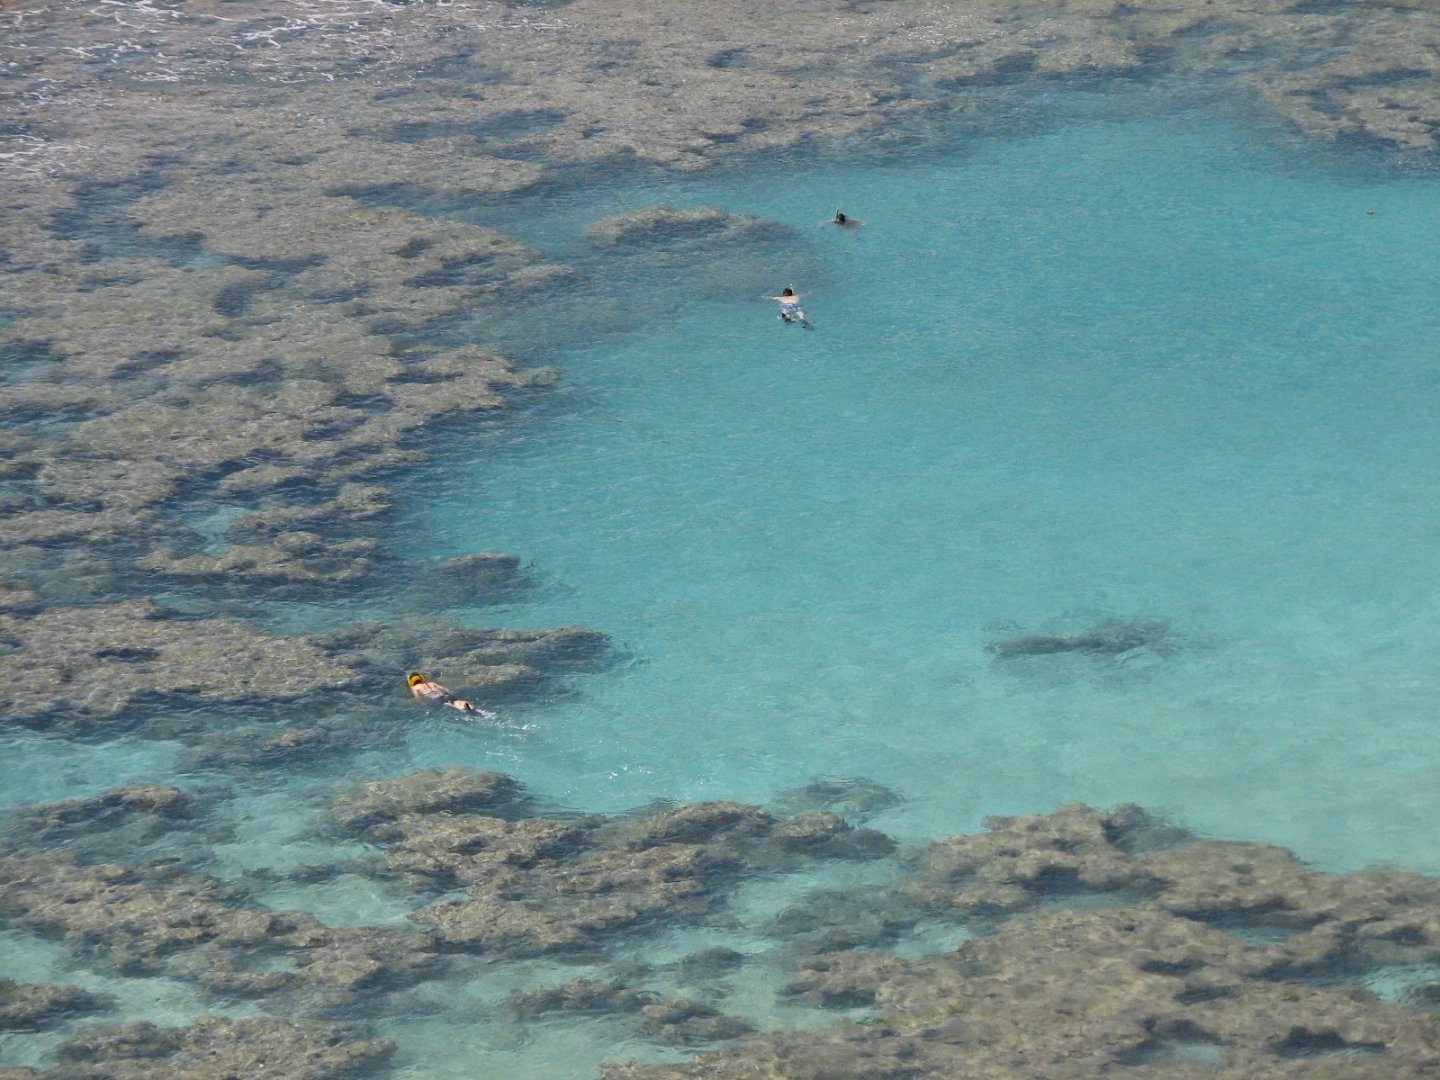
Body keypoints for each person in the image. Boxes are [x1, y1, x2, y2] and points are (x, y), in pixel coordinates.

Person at [407, 672, 495, 717]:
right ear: (422, 678)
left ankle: (462, 708)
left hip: (436, 698)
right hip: (445, 694)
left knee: (449, 704)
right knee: (457, 701)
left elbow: (418, 698)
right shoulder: (431, 683)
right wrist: (450, 693)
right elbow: (446, 689)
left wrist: (422, 705)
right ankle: (467, 705)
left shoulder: (415, 688)